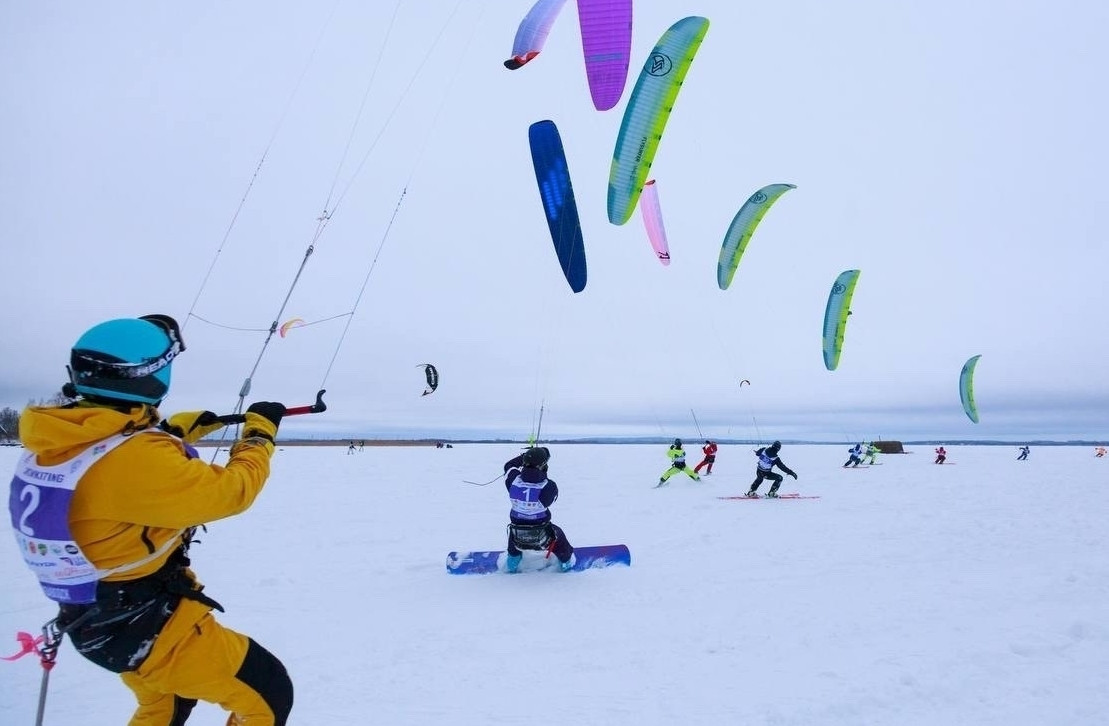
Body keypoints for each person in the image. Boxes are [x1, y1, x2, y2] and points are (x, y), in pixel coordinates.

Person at [8, 314, 293, 725]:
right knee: (267, 694)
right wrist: (259, 436)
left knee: (164, 704)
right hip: (149, 627)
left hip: (98, 623)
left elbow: (110, 461)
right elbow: (232, 491)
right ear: (146, 379)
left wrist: (174, 433)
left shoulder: (53, 439)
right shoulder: (136, 462)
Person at [503, 446, 575, 572]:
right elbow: (548, 500)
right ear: (544, 466)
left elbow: (509, 466)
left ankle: (512, 562)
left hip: (517, 533)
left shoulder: (512, 480)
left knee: (514, 536)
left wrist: (527, 456)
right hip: (543, 535)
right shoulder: (549, 486)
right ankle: (566, 562)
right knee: (559, 536)